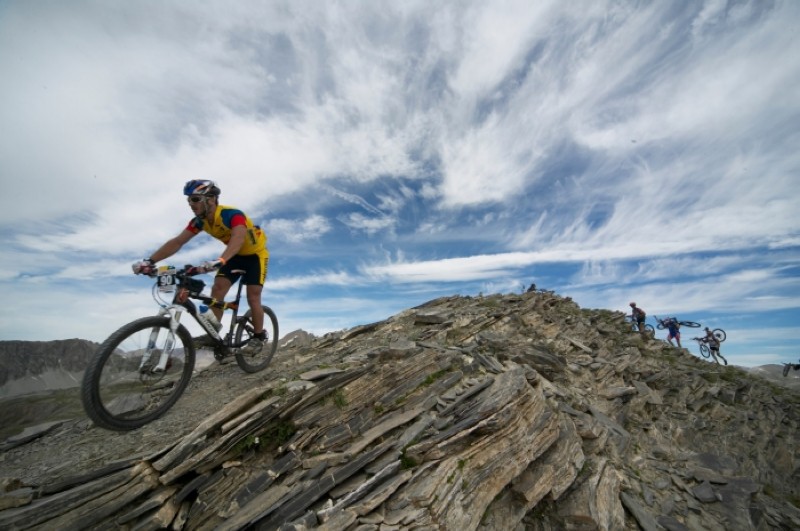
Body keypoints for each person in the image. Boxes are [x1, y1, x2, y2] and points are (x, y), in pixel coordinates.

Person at [132, 180, 269, 355]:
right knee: (218, 289)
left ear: (211, 199)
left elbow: (238, 238)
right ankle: (215, 335)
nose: (190, 204)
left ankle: (258, 337)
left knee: (253, 296)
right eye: (189, 200)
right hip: (234, 257)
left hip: (255, 256)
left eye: (195, 199)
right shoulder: (199, 221)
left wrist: (221, 260)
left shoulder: (232, 215)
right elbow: (178, 241)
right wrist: (149, 261)